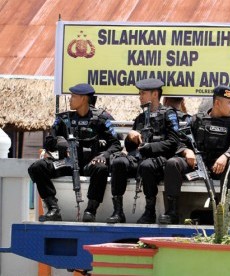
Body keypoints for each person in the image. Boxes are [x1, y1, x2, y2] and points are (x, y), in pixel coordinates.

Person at [28, 83, 122, 222]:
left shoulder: (102, 118)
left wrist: (103, 156)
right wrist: (59, 142)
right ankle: (53, 208)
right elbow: (48, 141)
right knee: (37, 167)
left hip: (90, 164)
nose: (70, 99)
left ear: (84, 99)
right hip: (67, 163)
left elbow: (116, 144)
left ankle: (91, 210)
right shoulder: (63, 119)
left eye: (73, 96)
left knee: (101, 169)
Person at [160, 85, 230, 224]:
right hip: (196, 165)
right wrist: (187, 152)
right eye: (229, 103)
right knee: (172, 163)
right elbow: (180, 140)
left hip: (219, 167)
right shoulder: (196, 119)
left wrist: (226, 156)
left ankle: (228, 213)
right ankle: (172, 211)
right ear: (217, 103)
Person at [106, 78, 181, 224]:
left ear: (154, 94)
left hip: (158, 161)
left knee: (147, 166)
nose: (140, 96)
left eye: (143, 93)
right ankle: (118, 211)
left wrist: (150, 147)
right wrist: (130, 137)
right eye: (139, 93)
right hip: (139, 159)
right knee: (119, 162)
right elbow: (130, 148)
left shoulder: (168, 114)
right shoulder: (141, 117)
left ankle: (149, 211)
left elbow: (174, 142)